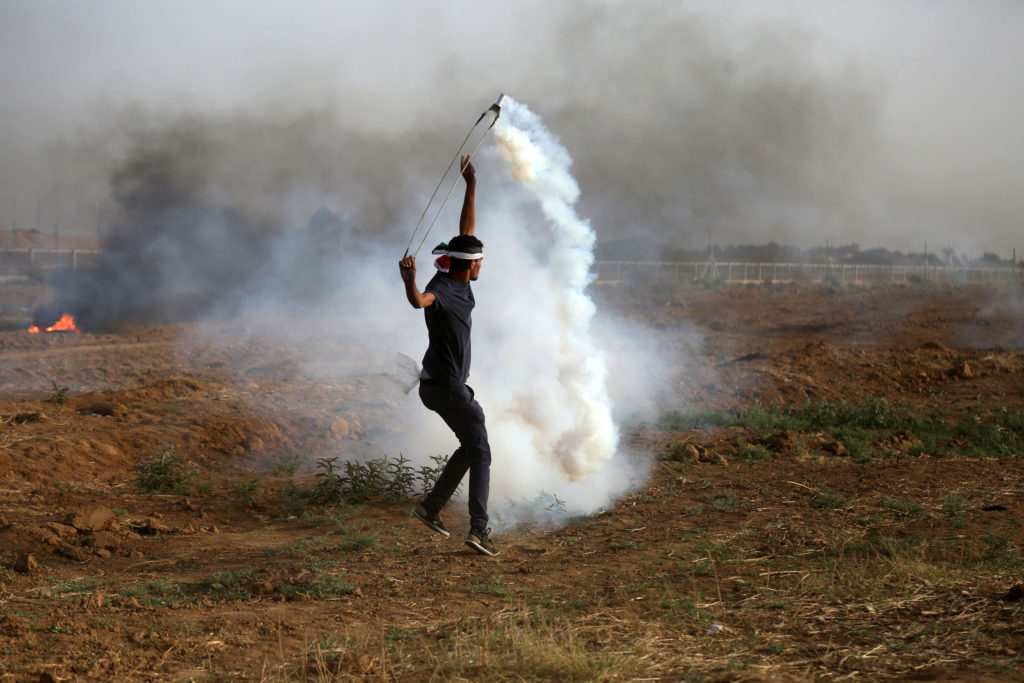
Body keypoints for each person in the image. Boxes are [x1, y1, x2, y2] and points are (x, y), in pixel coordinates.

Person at [398, 156, 499, 557]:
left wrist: (470, 184)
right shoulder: (439, 291)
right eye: (478, 263)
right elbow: (418, 301)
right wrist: (408, 282)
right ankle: (479, 530)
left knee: (470, 446)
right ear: (468, 266)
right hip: (449, 388)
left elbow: (466, 232)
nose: (480, 267)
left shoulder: (451, 274)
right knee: (482, 452)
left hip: (433, 387)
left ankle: (431, 507)